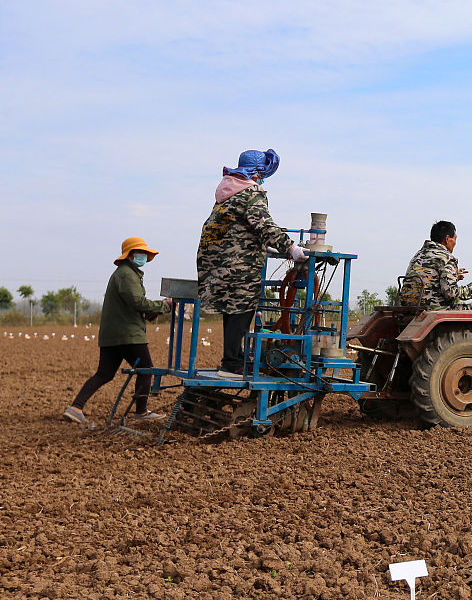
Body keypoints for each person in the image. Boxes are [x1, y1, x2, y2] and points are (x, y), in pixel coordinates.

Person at [197, 149, 307, 377]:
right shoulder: (251, 193)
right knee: (243, 309)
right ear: (256, 173)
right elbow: (264, 225)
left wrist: (261, 245)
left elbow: (235, 228)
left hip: (217, 263)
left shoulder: (226, 194)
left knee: (232, 309)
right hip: (240, 265)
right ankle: (233, 363)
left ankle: (232, 360)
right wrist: (291, 248)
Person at [64, 237, 173, 424]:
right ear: (129, 256)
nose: (144, 256)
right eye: (140, 253)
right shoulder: (126, 275)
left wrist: (153, 311)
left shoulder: (124, 274)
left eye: (145, 254)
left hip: (113, 334)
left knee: (104, 373)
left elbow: (130, 306)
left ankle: (75, 407)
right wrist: (165, 306)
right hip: (128, 334)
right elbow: (137, 302)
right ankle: (141, 411)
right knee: (146, 369)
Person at [402, 220, 472, 309]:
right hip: (434, 308)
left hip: (411, 308)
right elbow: (450, 293)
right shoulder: (446, 258)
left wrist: (453, 275)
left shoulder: (419, 255)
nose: (455, 243)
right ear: (447, 239)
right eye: (455, 239)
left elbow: (429, 278)